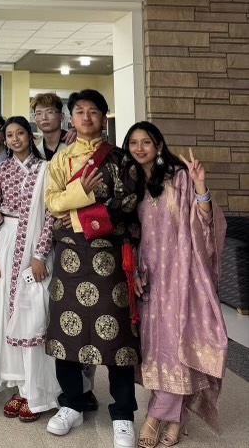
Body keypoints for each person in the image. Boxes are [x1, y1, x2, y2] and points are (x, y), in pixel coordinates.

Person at [44, 89, 143, 448]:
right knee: (66, 336)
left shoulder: (119, 159)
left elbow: (128, 202)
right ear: (71, 118)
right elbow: (51, 202)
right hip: (69, 258)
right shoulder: (61, 158)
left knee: (115, 338)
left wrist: (80, 220)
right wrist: (81, 199)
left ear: (104, 117)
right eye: (79, 111)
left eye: (93, 112)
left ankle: (123, 414)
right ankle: (72, 403)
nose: (86, 117)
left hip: (107, 257)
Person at [123, 122, 227, 448]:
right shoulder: (132, 184)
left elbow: (205, 223)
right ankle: (177, 415)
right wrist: (134, 274)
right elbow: (130, 235)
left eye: (146, 142)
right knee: (156, 346)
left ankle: (155, 416)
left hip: (183, 275)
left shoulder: (179, 178)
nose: (140, 148)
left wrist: (200, 188)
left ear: (159, 144)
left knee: (177, 343)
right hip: (150, 277)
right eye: (133, 143)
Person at [0, 116, 59, 422]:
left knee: (35, 311)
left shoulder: (46, 169)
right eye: (9, 135)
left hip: (36, 246)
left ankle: (35, 389)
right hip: (6, 245)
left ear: (29, 135)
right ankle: (17, 383)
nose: (13, 139)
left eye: (19, 133)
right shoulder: (1, 171)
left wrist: (40, 254)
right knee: (6, 314)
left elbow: (50, 215)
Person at [32, 92, 73, 159]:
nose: (44, 118)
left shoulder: (73, 142)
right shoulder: (34, 148)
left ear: (61, 116)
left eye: (50, 112)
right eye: (39, 113)